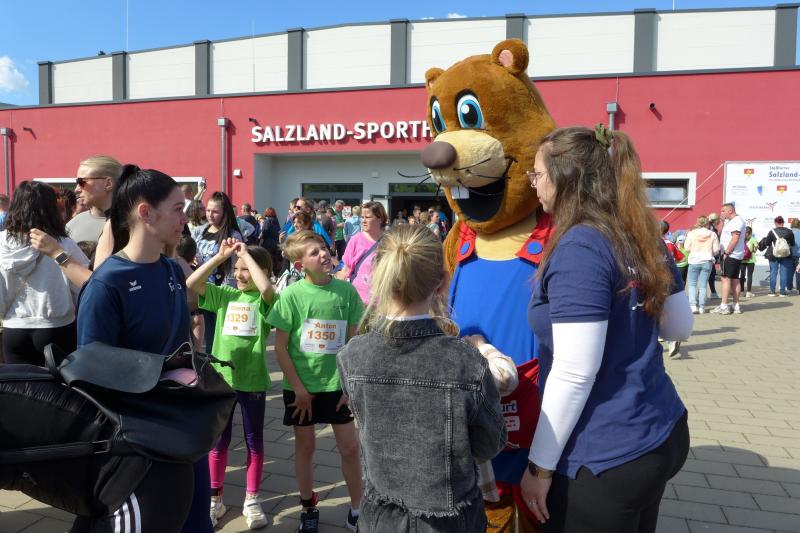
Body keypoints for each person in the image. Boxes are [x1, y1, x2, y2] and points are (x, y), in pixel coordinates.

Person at [522, 126, 692, 532]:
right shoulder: (639, 232)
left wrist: (539, 467)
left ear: (564, 178)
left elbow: (575, 372)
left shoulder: (581, 246)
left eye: (537, 174)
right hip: (661, 429)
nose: (533, 184)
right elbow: (680, 327)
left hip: (605, 453)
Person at [337, 225, 506, 532]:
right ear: (441, 282)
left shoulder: (352, 355)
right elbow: (488, 444)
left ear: (379, 276)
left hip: (381, 517)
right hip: (452, 518)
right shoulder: (466, 361)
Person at [74, 164, 212, 533]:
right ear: (145, 213)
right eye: (178, 209)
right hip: (139, 444)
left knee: (197, 522)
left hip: (183, 425)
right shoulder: (107, 284)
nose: (186, 218)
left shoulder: (171, 270)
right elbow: (89, 373)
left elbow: (180, 343)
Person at [267, 230, 364, 532]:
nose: (323, 254)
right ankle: (308, 505)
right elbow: (280, 347)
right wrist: (298, 388)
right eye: (313, 252)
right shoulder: (291, 296)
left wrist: (349, 384)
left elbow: (355, 343)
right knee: (305, 447)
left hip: (337, 387)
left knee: (350, 447)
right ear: (299, 265)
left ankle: (358, 509)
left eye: (323, 247)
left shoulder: (346, 292)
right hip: (301, 390)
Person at [187, 240, 275, 530]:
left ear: (262, 270)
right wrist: (219, 258)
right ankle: (216, 500)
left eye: (245, 269)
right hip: (222, 381)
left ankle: (252, 499)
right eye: (236, 269)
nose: (239, 274)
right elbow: (191, 283)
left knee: (253, 441)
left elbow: (266, 290)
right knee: (218, 442)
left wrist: (246, 254)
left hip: (252, 381)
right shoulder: (224, 295)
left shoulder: (264, 301)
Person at [0, 181, 89, 365]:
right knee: (60, 382)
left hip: (14, 326)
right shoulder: (61, 243)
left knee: (19, 383)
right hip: (57, 326)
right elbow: (82, 285)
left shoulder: (2, 242)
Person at [191, 191, 244, 352]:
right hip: (203, 290)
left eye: (215, 211)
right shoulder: (200, 231)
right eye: (208, 210)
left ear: (224, 213)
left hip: (223, 292)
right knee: (209, 338)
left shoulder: (233, 235)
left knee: (221, 337)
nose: (210, 214)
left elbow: (236, 265)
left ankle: (220, 364)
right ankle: (209, 364)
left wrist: (231, 292)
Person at [337, 201, 388, 304]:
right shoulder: (356, 240)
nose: (363, 221)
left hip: (384, 301)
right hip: (359, 300)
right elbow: (346, 270)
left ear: (380, 219)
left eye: (367, 217)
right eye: (362, 217)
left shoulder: (391, 241)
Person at [67, 155, 121, 244]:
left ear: (108, 184)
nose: (77, 189)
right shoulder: (72, 225)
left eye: (82, 182)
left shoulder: (135, 227)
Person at [710, 203, 746, 315]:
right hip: (733, 255)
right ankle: (736, 306)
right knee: (734, 279)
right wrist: (722, 220)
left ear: (730, 211)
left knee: (725, 279)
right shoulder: (729, 221)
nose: (721, 213)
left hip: (730, 255)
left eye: (723, 211)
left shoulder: (737, 221)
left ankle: (724, 306)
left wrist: (726, 252)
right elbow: (720, 233)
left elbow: (735, 238)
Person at [684, 216, 720, 314]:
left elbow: (687, 248)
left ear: (698, 222)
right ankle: (702, 307)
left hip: (694, 261)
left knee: (692, 285)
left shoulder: (691, 233)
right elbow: (716, 250)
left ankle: (693, 306)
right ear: (707, 223)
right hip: (707, 261)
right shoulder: (712, 234)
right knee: (703, 285)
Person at [758, 215, 796, 297]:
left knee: (773, 272)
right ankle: (782, 292)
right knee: (784, 273)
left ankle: (772, 292)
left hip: (773, 254)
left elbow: (767, 243)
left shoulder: (772, 231)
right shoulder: (789, 232)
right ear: (783, 222)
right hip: (786, 255)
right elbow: (792, 244)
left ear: (775, 223)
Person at [259, 207, 282, 276]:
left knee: (267, 259)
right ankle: (274, 273)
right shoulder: (276, 221)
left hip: (268, 243)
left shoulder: (268, 221)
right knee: (274, 259)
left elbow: (264, 233)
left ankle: (268, 273)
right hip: (275, 242)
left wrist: (260, 236)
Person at [739, 226, 758, 298]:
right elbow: (755, 249)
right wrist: (754, 249)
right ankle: (748, 292)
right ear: (750, 233)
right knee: (749, 275)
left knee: (742, 275)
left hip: (742, 259)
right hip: (751, 259)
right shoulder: (753, 239)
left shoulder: (741, 239)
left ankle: (741, 292)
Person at [706, 212, 721, 299]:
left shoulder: (701, 228)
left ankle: (712, 292)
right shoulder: (712, 230)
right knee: (711, 274)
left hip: (700, 255)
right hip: (709, 254)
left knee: (706, 275)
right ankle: (713, 292)